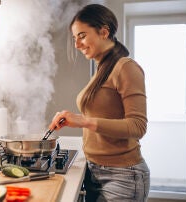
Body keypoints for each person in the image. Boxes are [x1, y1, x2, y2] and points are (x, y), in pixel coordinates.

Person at [48, 4, 150, 202]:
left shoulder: (126, 67)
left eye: (82, 35)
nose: (77, 44)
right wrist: (72, 118)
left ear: (104, 32)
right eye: (75, 38)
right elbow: (104, 113)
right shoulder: (102, 69)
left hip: (123, 176)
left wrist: (83, 121)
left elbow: (138, 126)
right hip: (95, 171)